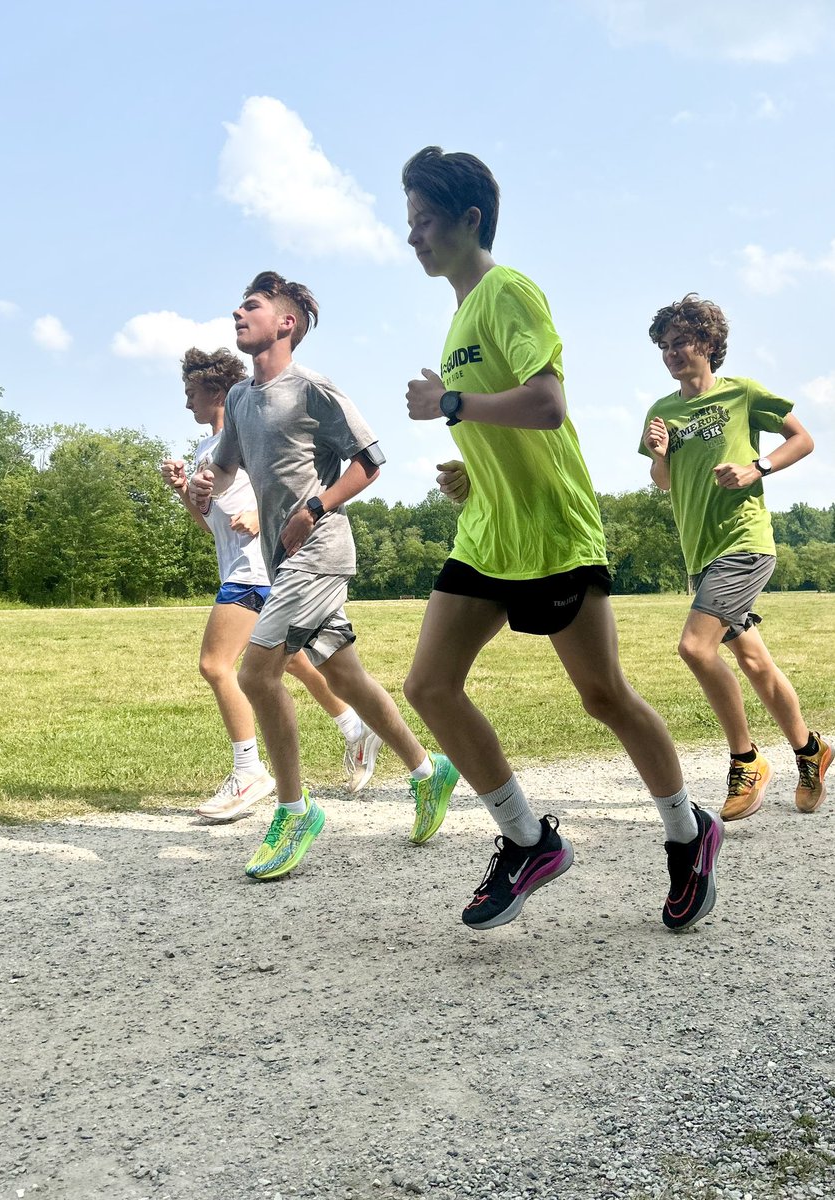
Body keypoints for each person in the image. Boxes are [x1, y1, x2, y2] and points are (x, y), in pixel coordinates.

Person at [401, 145, 722, 933]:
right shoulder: (458, 319)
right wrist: (470, 472)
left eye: (426, 220)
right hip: (488, 534)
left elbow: (546, 404)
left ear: (470, 218)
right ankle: (526, 840)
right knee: (428, 687)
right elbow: (500, 422)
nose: (412, 237)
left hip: (552, 531)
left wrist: (451, 406)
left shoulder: (509, 291)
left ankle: (689, 834)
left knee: (603, 696)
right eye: (408, 222)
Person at [189, 273, 459, 880]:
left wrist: (315, 507)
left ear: (285, 323)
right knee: (348, 677)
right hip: (284, 559)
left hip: (321, 551)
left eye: (251, 306)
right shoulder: (238, 399)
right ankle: (427, 769)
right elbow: (228, 468)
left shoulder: (313, 390)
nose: (237, 311)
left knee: (258, 672)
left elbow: (371, 461)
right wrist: (207, 483)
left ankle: (294, 808)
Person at [162, 346, 383, 822]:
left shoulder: (253, 432)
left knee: (216, 665)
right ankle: (354, 727)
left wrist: (261, 518)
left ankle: (250, 771)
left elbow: (279, 487)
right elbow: (211, 527)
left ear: (218, 391)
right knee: (296, 664)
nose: (187, 404)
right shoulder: (210, 453)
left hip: (256, 571)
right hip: (244, 568)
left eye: (191, 393)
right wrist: (186, 491)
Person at [641, 294, 831, 819]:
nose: (671, 353)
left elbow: (804, 438)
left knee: (695, 649)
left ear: (707, 342)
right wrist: (660, 456)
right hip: (699, 553)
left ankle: (746, 760)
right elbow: (662, 483)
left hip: (744, 544)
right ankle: (811, 750)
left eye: (681, 342)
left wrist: (758, 468)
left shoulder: (742, 393)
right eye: (664, 345)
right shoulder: (661, 412)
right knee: (752, 659)